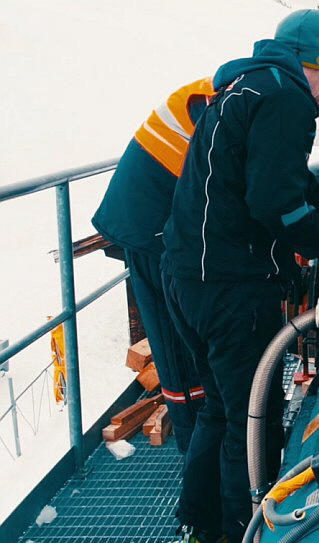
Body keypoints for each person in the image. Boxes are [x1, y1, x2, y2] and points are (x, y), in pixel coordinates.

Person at [161, 10, 319, 543]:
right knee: (254, 419)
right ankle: (239, 531)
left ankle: (197, 523)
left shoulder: (246, 86)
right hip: (230, 285)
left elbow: (291, 181)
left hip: (187, 276)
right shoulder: (287, 97)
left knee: (220, 410)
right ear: (316, 62)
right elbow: (276, 202)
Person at [91, 77, 215, 454]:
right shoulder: (227, 105)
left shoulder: (226, 94)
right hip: (149, 226)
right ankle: (193, 450)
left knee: (184, 335)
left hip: (157, 215)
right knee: (172, 339)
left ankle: (201, 439)